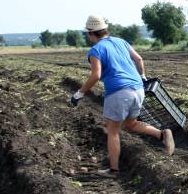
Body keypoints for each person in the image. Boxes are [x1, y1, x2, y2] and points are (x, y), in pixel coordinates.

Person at [70, 15, 174, 178]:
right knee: (130, 124)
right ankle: (162, 134)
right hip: (138, 89)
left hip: (119, 91)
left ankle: (113, 170)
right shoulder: (121, 41)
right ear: (105, 29)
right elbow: (138, 59)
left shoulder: (96, 50)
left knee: (112, 131)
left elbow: (96, 75)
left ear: (91, 33)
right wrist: (143, 76)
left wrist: (79, 93)